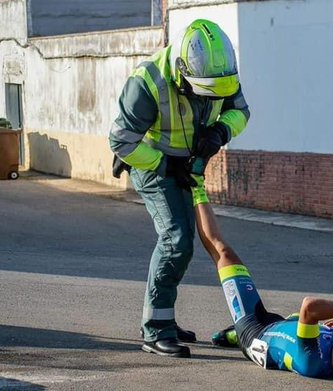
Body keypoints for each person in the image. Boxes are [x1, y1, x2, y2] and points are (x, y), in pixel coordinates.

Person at [108, 19, 250, 358]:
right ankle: (155, 330)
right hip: (153, 162)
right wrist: (163, 164)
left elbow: (241, 112)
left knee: (188, 242)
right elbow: (121, 141)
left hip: (187, 165)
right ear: (182, 72)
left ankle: (165, 318)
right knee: (177, 239)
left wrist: (219, 132)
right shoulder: (147, 82)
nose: (208, 98)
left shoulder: (220, 75)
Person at [191, 178, 333, 384]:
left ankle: (196, 187)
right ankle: (229, 335)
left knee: (223, 252)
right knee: (303, 320)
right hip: (280, 324)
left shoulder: (312, 361)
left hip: (254, 329)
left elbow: (310, 307)